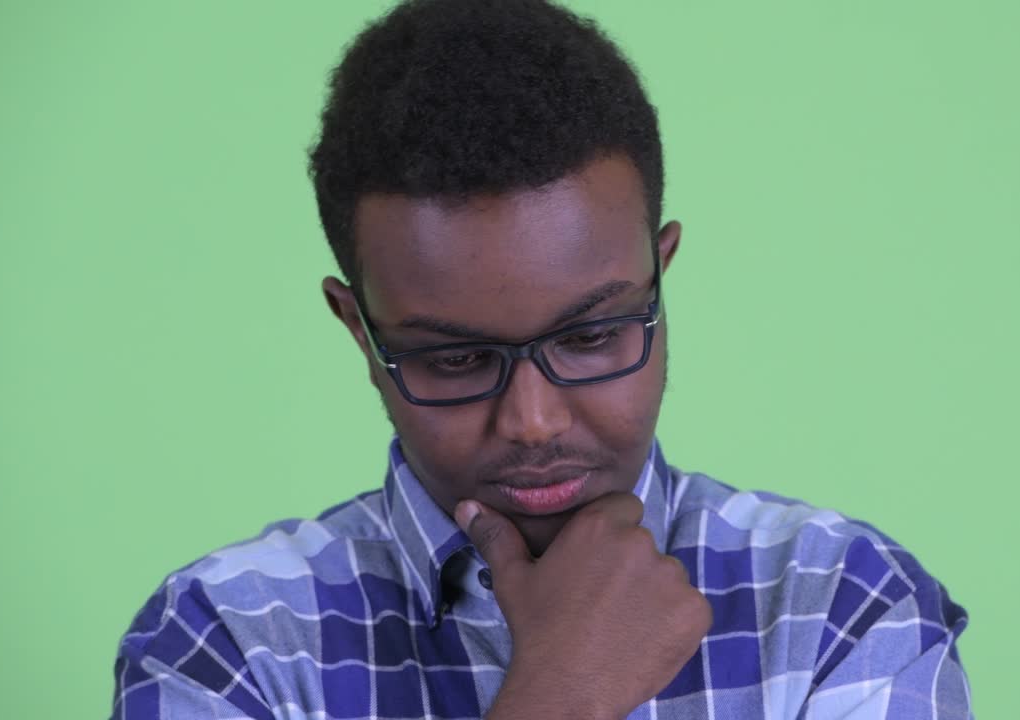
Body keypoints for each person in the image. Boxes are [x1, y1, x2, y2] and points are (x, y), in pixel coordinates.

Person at [110, 0, 972, 717]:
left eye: (591, 336)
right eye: (453, 360)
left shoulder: (840, 607)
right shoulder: (226, 642)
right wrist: (561, 693)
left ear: (660, 277)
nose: (533, 421)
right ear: (358, 332)